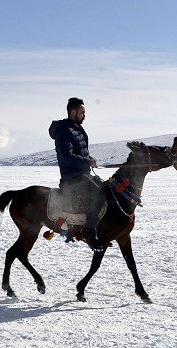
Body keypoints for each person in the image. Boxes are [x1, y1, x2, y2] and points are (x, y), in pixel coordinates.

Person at [49, 97, 105, 251]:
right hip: (72, 178)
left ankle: (102, 231)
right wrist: (87, 162)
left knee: (108, 190)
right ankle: (88, 232)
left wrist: (89, 160)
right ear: (73, 111)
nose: (84, 115)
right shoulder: (63, 130)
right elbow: (67, 156)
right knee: (98, 195)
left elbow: (80, 153)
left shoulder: (76, 129)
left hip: (83, 175)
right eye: (82, 112)